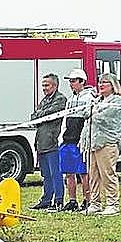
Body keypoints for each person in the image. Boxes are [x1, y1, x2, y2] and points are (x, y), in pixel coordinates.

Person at [86, 73, 121, 216]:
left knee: (108, 174)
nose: (101, 85)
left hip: (108, 142)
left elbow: (102, 118)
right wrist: (92, 108)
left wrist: (93, 112)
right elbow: (85, 113)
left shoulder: (117, 100)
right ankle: (95, 203)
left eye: (105, 82)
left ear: (113, 85)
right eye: (99, 82)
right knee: (93, 175)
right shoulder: (97, 100)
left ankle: (112, 204)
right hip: (93, 142)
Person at [59, 68, 96, 212]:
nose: (71, 84)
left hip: (79, 141)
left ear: (82, 82)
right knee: (69, 172)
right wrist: (61, 137)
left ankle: (87, 200)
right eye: (70, 81)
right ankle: (72, 200)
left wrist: (83, 140)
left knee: (83, 173)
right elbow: (65, 120)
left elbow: (88, 121)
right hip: (67, 140)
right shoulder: (70, 100)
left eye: (73, 81)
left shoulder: (89, 98)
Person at [28, 74, 67, 210]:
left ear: (55, 86)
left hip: (52, 142)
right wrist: (39, 115)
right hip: (41, 142)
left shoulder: (60, 99)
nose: (44, 88)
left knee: (55, 173)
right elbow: (34, 117)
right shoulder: (44, 100)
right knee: (45, 174)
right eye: (43, 85)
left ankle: (58, 200)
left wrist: (40, 114)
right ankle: (46, 199)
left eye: (47, 85)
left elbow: (48, 114)